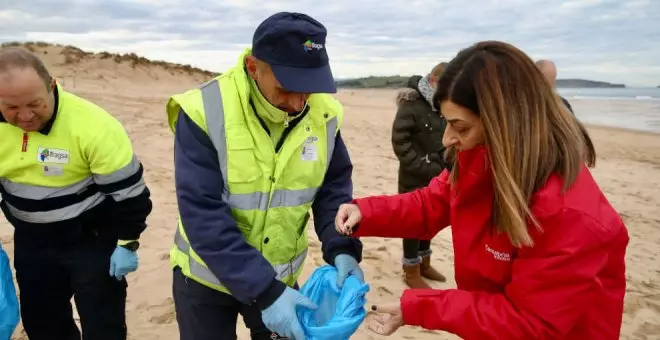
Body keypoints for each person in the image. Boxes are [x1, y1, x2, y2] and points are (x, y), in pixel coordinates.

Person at [335, 41, 629, 339]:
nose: (447, 139)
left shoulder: (570, 215)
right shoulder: (480, 159)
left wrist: (420, 307)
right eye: (446, 124)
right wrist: (365, 212)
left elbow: (530, 325)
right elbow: (432, 204)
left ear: (504, 124)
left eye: (460, 127)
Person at [165, 12, 364, 340]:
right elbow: (202, 214)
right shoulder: (203, 110)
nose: (300, 102)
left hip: (282, 278)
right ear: (252, 67)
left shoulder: (324, 114)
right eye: (288, 88)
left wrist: (341, 245)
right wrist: (264, 290)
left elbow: (333, 189)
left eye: (310, 88)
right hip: (206, 280)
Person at [0, 47, 153, 340]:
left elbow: (132, 197)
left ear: (53, 85)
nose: (26, 116)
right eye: (11, 109)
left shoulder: (95, 126)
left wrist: (128, 243)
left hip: (92, 238)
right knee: (43, 323)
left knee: (102, 325)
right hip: (32, 239)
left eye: (35, 103)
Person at [391, 62, 450, 289]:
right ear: (434, 81)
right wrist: (420, 165)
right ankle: (411, 269)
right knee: (412, 223)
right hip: (412, 177)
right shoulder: (411, 104)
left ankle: (425, 263)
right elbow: (400, 142)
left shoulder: (442, 105)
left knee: (430, 219)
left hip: (436, 176)